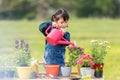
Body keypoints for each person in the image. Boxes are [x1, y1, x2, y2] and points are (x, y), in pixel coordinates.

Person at [39, 8, 70, 76]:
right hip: (49, 54)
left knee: (60, 73)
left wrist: (64, 34)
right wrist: (50, 23)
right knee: (50, 73)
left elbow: (67, 42)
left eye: (66, 22)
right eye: (61, 22)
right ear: (55, 21)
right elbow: (40, 27)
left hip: (59, 56)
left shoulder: (66, 33)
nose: (63, 24)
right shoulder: (50, 29)